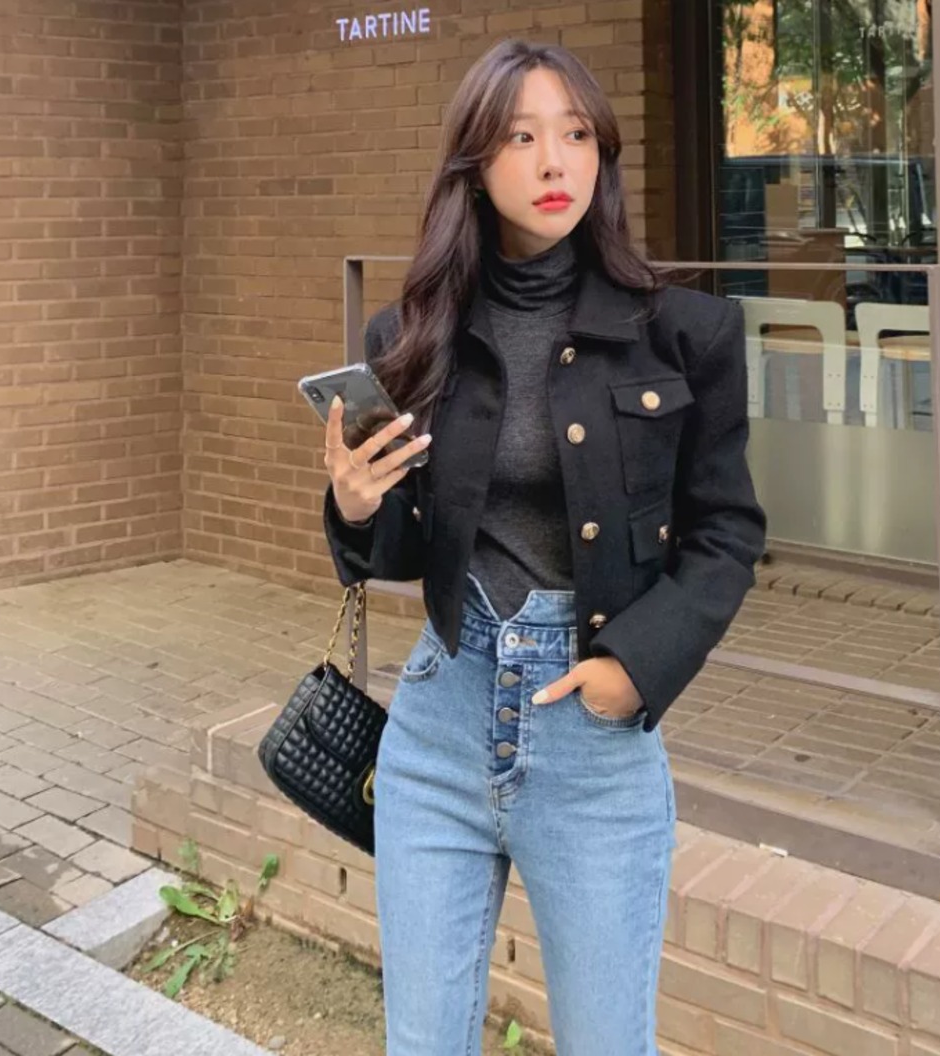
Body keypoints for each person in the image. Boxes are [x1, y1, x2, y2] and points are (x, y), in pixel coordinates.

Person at [320, 38, 765, 1056]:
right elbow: (402, 545)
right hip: (439, 719)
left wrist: (633, 669)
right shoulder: (412, 336)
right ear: (473, 165)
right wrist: (354, 504)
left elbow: (727, 530)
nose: (555, 161)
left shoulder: (684, 332)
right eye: (520, 138)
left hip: (591, 740)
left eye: (575, 135)